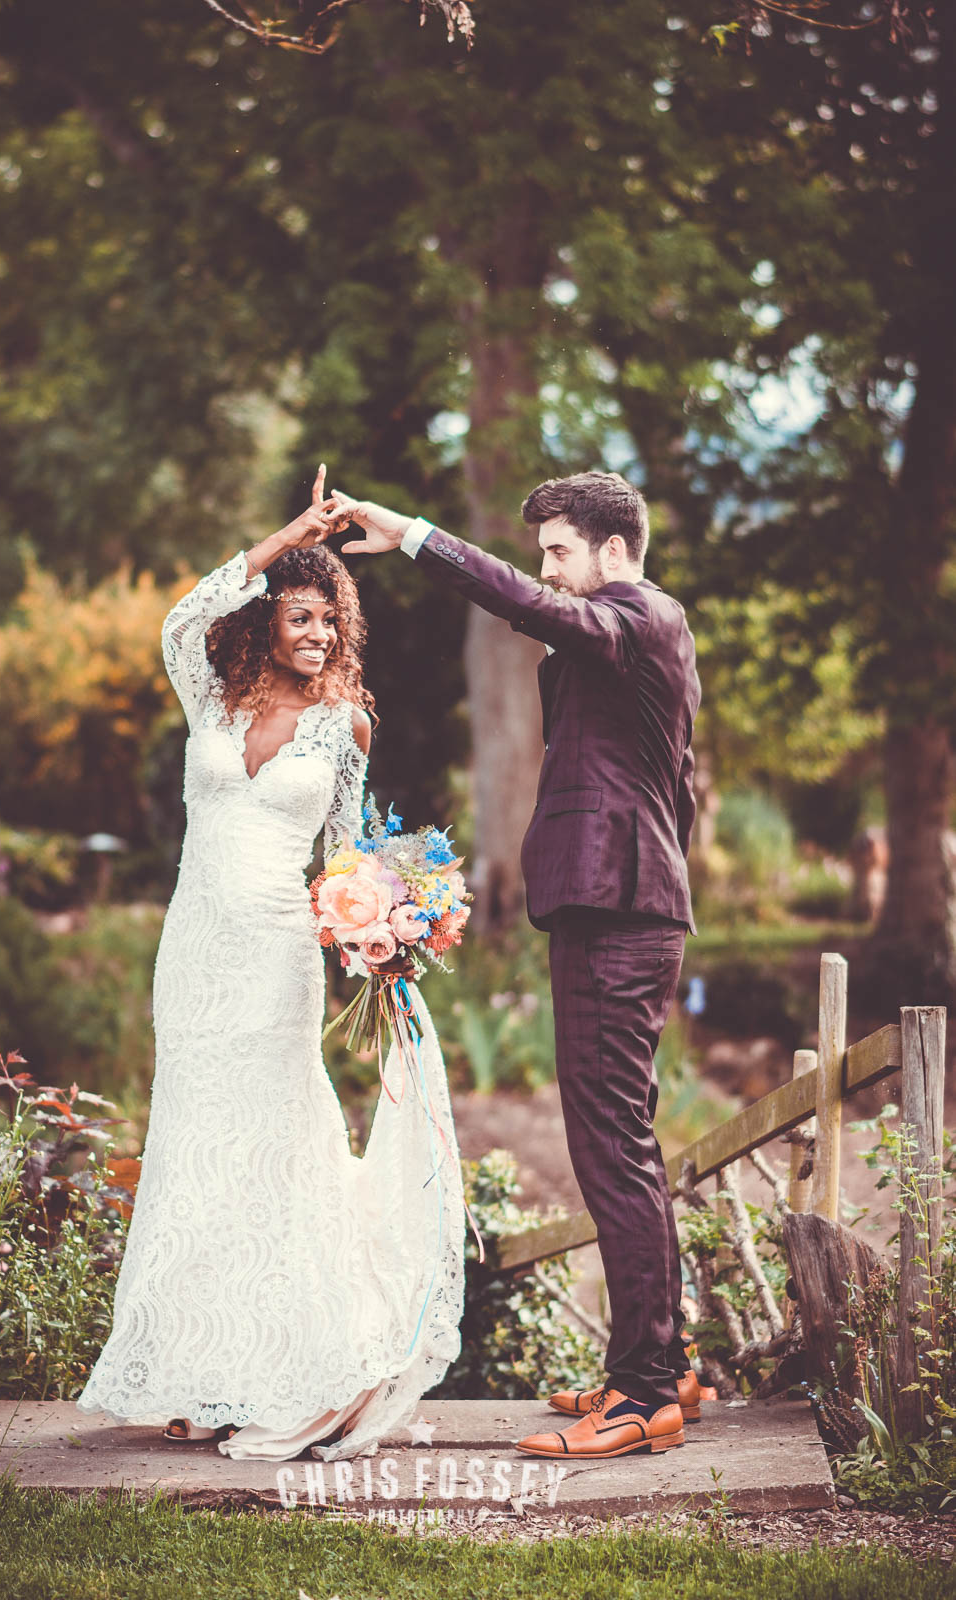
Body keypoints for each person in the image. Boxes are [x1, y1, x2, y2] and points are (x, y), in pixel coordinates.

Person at [77, 468, 464, 1462]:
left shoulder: (345, 725)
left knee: (275, 1140)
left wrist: (383, 927)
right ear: (266, 621)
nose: (319, 633)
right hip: (193, 954)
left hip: (277, 957)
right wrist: (294, 535)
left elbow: (344, 853)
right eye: (301, 616)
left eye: (331, 620)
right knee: (196, 1143)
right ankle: (202, 1374)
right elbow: (180, 621)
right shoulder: (210, 700)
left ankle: (294, 1368)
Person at [336, 470, 701, 1461]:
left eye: (558, 551)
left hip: (615, 909)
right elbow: (674, 782)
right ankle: (660, 1366)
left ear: (613, 548)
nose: (546, 571)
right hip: (623, 901)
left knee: (609, 1145)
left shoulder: (637, 615)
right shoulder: (633, 636)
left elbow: (525, 604)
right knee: (622, 1140)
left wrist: (411, 535)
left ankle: (642, 1396)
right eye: (540, 553)